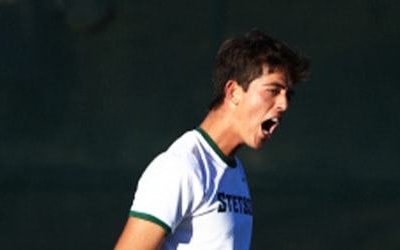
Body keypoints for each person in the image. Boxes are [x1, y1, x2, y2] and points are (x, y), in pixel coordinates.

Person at [114, 29, 310, 250]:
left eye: (288, 95)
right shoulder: (179, 168)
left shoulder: (234, 170)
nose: (284, 104)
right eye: (273, 90)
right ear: (234, 92)